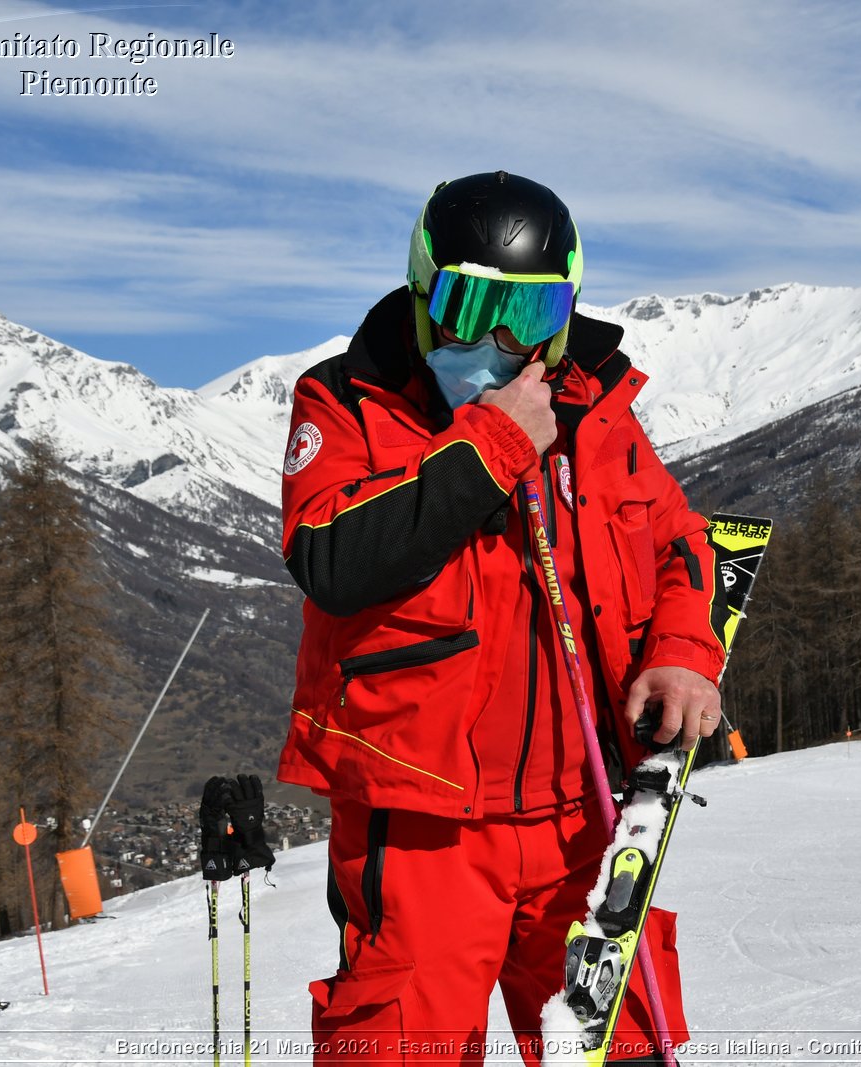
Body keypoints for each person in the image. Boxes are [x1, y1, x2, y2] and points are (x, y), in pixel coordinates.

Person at [277, 171, 729, 1066]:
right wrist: (495, 444)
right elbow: (330, 554)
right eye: (468, 305)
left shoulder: (598, 412)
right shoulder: (349, 403)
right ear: (421, 298)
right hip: (422, 829)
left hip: (582, 823)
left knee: (619, 1045)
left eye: (525, 317)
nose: (494, 342)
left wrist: (682, 650)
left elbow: (681, 544)